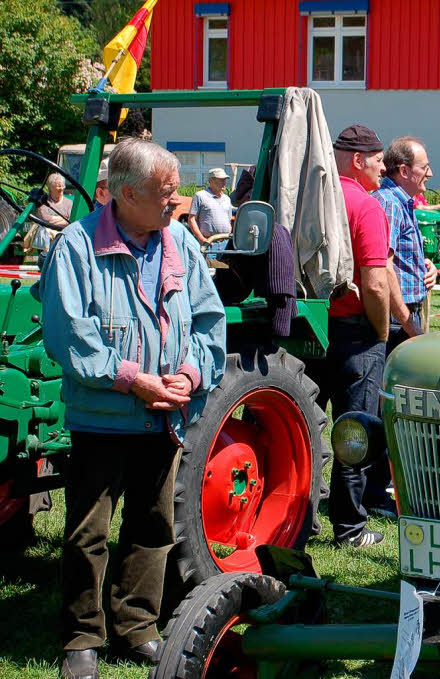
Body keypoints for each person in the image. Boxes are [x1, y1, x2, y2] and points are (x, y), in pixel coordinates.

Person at [39, 138, 225, 679]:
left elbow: (208, 320)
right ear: (124, 195)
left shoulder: (179, 246)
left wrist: (190, 373)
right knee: (88, 531)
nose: (177, 204)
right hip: (104, 417)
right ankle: (81, 638)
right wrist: (132, 379)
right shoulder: (76, 248)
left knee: (152, 524)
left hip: (164, 415)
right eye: (166, 195)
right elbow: (68, 334)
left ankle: (137, 626)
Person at [327, 124, 393, 548]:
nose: (384, 168)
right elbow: (374, 283)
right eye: (379, 160)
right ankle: (350, 527)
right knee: (355, 433)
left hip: (311, 327)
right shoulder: (366, 206)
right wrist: (382, 332)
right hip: (355, 332)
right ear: (358, 160)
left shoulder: (312, 198)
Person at [372, 137, 439, 355]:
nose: (430, 174)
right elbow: (383, 266)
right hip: (397, 320)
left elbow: (398, 256)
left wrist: (424, 266)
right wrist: (410, 324)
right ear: (404, 170)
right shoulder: (390, 203)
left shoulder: (400, 202)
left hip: (401, 317)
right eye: (424, 167)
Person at [187, 168, 233, 251]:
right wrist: (201, 238)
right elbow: (191, 219)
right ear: (211, 180)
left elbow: (229, 219)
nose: (224, 182)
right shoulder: (200, 196)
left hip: (225, 244)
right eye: (221, 180)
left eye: (225, 180)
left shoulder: (227, 199)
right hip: (208, 243)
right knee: (208, 264)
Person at [25, 173, 73, 252]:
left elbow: (71, 220)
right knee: (44, 232)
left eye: (62, 186)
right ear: (51, 188)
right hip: (46, 239)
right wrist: (63, 219)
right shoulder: (43, 202)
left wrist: (53, 220)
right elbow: (45, 220)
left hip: (64, 236)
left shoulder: (69, 203)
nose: (61, 188)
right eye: (58, 186)